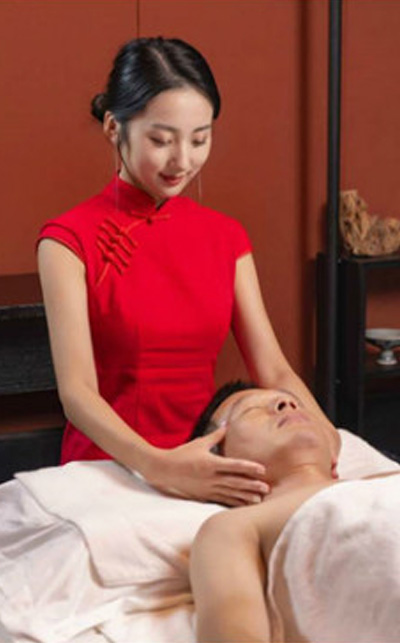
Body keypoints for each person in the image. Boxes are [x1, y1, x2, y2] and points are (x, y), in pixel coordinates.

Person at [37, 36, 332, 506]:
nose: (183, 161)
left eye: (200, 139)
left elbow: (273, 367)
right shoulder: (67, 240)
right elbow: (77, 393)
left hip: (212, 464)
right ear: (114, 127)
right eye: (161, 140)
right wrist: (160, 466)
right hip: (112, 468)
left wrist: (327, 438)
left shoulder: (226, 236)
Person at [189, 381, 399, 643]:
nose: (286, 404)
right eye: (250, 410)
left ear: (334, 459)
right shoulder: (237, 527)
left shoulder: (389, 478)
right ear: (219, 463)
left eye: (296, 404)